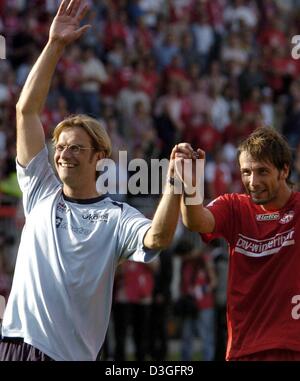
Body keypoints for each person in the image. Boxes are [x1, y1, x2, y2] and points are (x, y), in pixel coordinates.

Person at [0, 0, 184, 361]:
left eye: (75, 148)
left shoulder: (117, 216)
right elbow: (26, 111)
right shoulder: (41, 190)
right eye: (60, 146)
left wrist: (175, 187)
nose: (63, 153)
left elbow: (158, 237)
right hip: (14, 344)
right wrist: (54, 45)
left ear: (100, 157)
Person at [178, 126, 300, 361]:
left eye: (262, 171)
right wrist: (190, 184)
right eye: (246, 172)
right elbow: (196, 221)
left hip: (292, 345)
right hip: (244, 348)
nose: (252, 181)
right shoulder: (234, 207)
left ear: (284, 170)